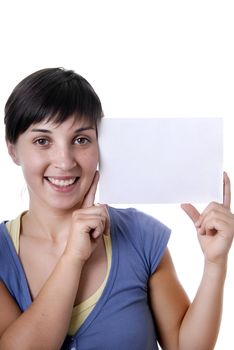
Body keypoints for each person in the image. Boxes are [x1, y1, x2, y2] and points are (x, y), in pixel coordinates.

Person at [0, 68, 233, 350]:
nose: (64, 160)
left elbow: (184, 347)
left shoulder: (140, 236)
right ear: (12, 149)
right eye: (42, 141)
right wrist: (74, 256)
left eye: (81, 139)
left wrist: (215, 264)